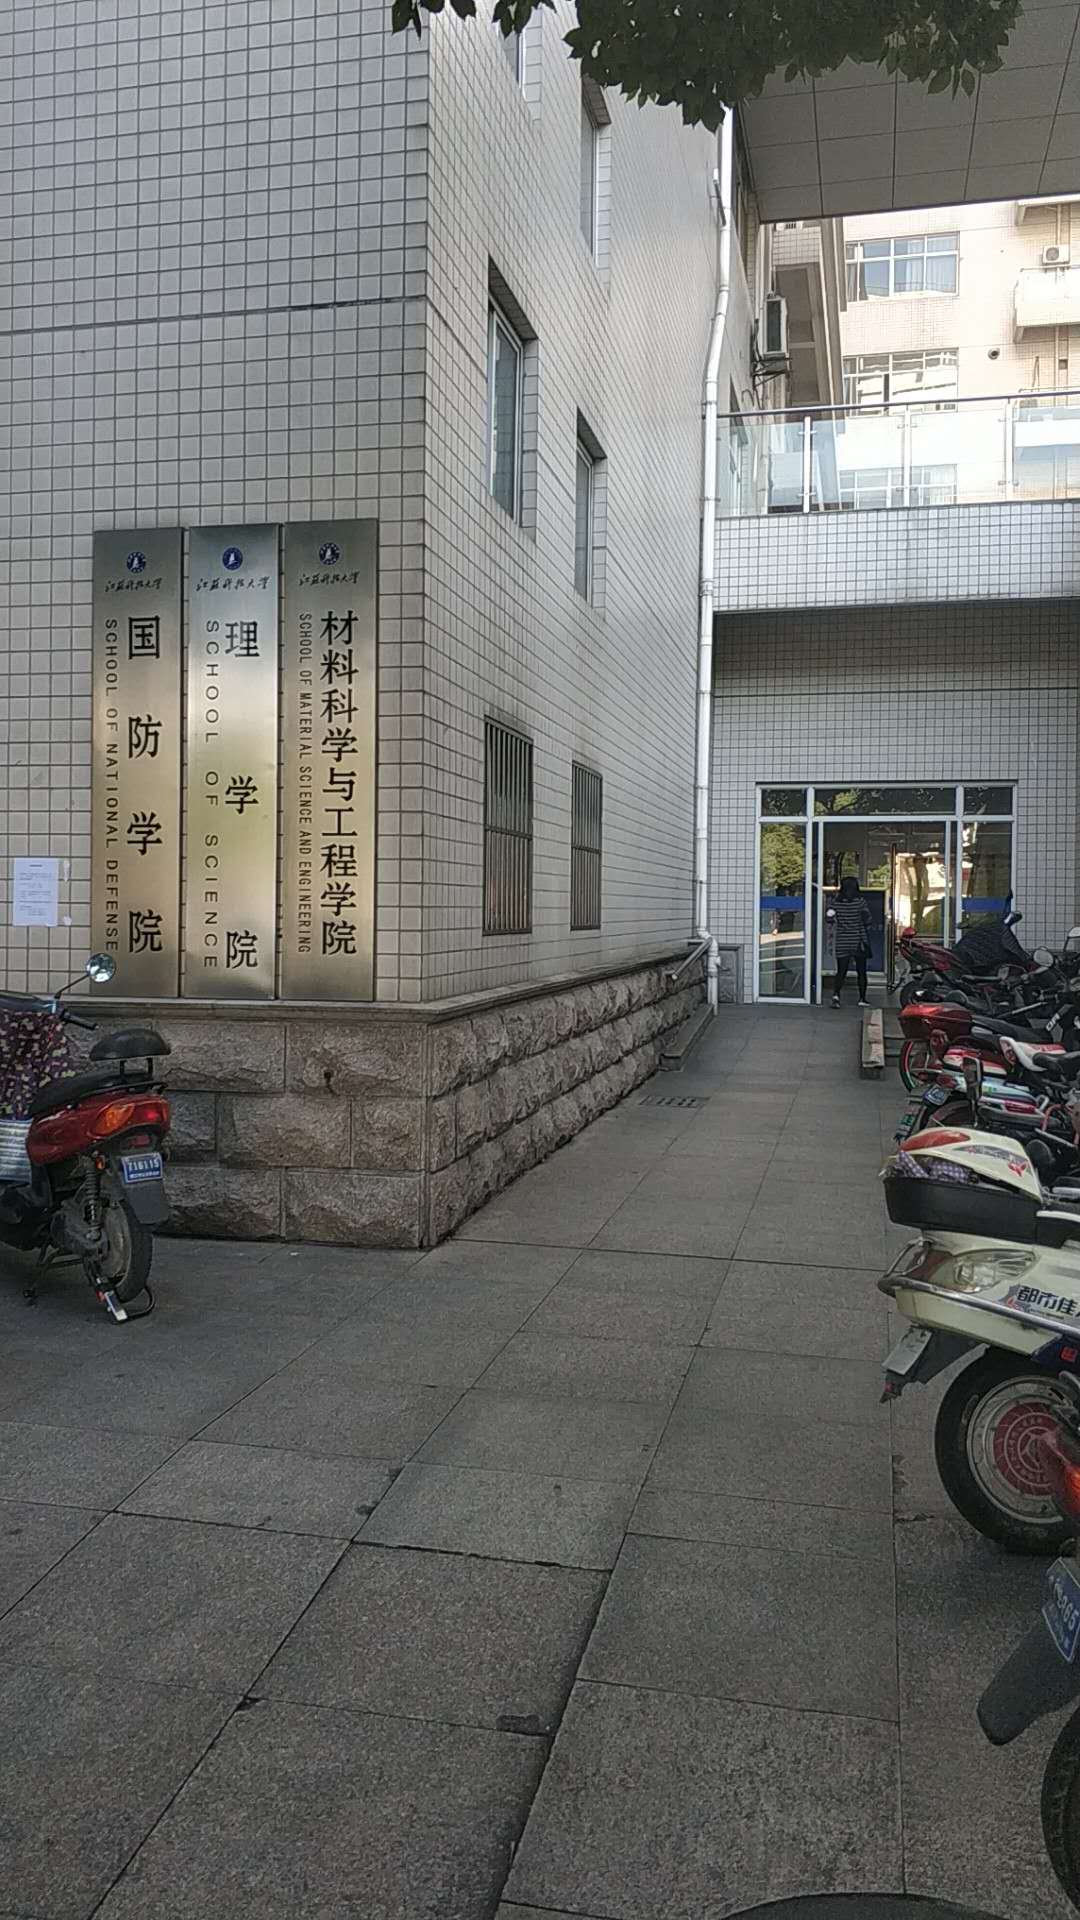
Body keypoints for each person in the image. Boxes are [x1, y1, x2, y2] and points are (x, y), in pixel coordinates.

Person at [827, 874, 872, 1008]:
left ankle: (836, 996)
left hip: (842, 940)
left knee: (841, 971)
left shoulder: (836, 903)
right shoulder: (860, 902)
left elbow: (829, 919)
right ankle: (862, 998)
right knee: (861, 971)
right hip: (858, 941)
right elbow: (868, 920)